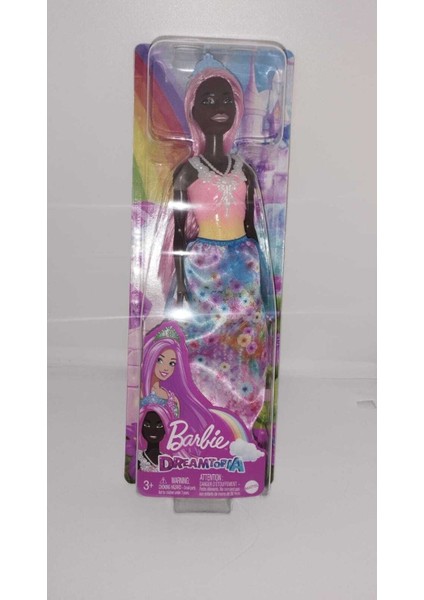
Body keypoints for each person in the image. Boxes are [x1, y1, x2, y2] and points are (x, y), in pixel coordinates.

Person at [160, 55, 274, 429]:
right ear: (193, 109)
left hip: (243, 262)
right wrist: (179, 283)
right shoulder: (187, 171)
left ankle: (240, 414)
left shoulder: (244, 170)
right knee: (200, 338)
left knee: (244, 337)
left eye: (226, 99)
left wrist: (261, 273)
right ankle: (201, 410)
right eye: (207, 101)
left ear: (238, 107)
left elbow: (252, 225)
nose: (218, 107)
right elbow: (179, 232)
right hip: (202, 265)